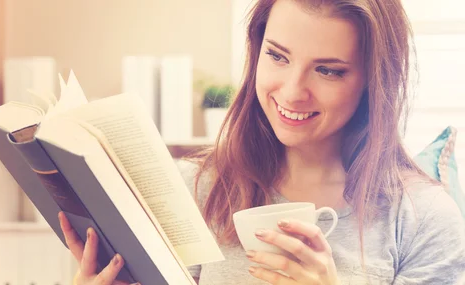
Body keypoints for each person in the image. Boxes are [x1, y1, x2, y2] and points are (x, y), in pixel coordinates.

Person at [57, 0, 465, 284]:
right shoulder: (196, 188)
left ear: (374, 82)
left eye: (327, 71)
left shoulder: (425, 220)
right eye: (278, 56)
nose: (291, 93)